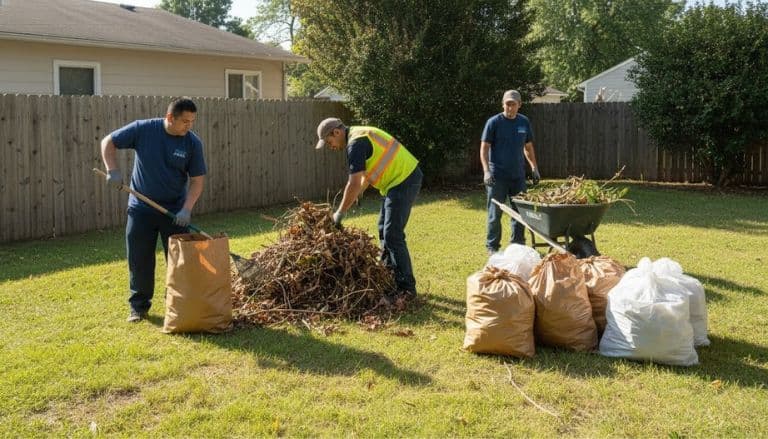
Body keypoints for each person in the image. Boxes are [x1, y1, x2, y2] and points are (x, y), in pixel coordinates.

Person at [100, 97, 207, 322]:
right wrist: (112, 170)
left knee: (178, 262)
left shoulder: (192, 143)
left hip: (175, 212)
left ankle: (176, 303)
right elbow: (108, 141)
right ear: (170, 117)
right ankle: (138, 307)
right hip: (141, 208)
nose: (189, 126)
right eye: (185, 121)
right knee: (139, 259)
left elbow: (197, 181)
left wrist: (186, 209)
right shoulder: (143, 129)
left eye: (192, 121)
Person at [315, 118, 423, 298]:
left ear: (336, 132)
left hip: (404, 179)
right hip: (395, 183)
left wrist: (339, 213)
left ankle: (406, 289)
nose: (331, 146)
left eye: (329, 142)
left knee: (392, 234)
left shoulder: (356, 143)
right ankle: (389, 278)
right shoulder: (358, 135)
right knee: (383, 229)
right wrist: (359, 192)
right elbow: (367, 173)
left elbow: (353, 182)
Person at [480, 89, 540, 255]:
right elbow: (484, 148)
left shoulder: (523, 122)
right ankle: (492, 247)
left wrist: (534, 167)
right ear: (503, 104)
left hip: (517, 177)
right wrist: (486, 171)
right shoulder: (494, 122)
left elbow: (528, 147)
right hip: (497, 177)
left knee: (520, 212)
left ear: (519, 105)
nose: (510, 107)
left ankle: (518, 244)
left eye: (513, 104)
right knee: (494, 213)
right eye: (507, 104)